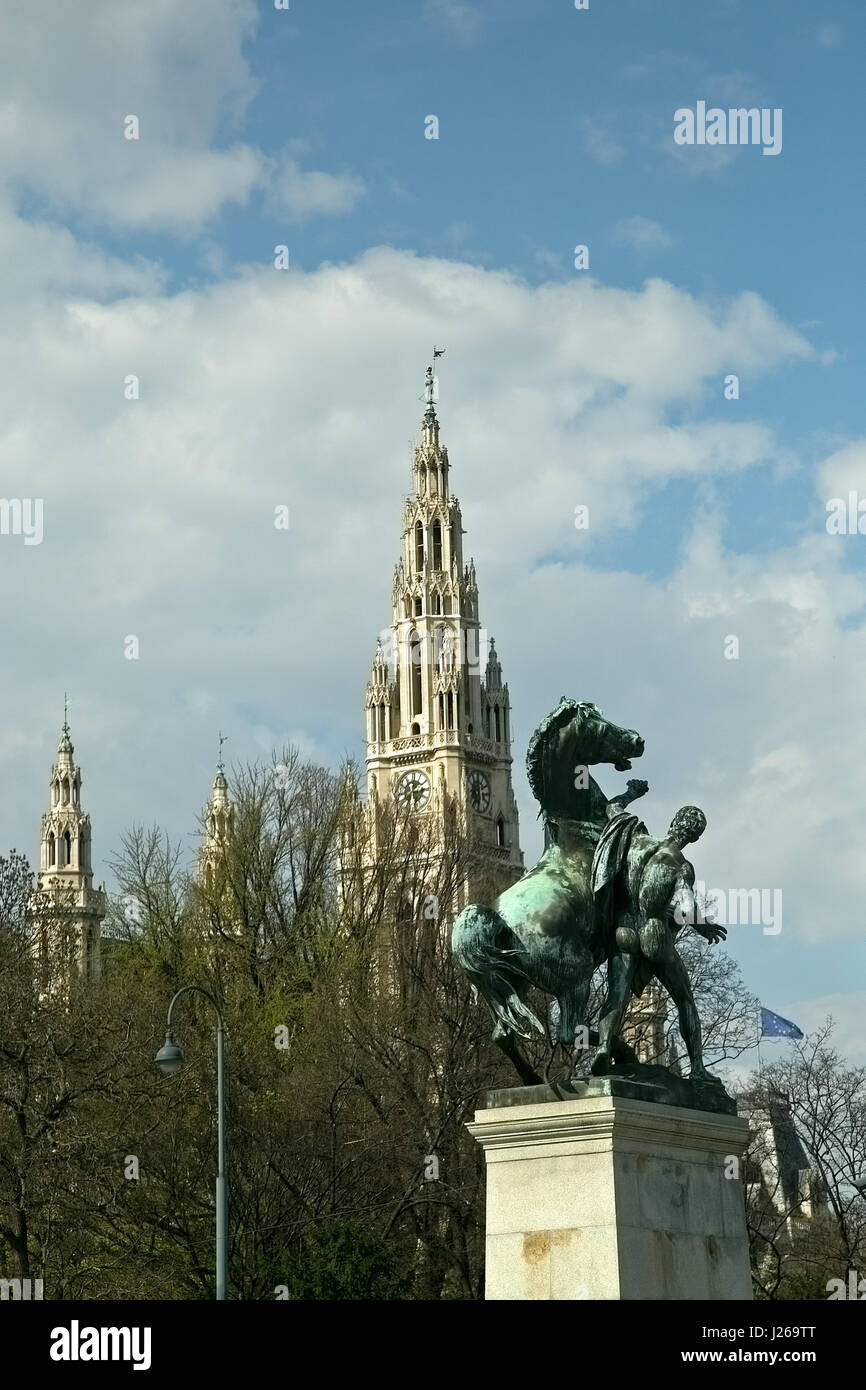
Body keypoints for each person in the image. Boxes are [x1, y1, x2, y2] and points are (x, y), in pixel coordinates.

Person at [591, 805, 726, 1081]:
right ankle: (698, 1069)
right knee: (685, 999)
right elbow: (686, 909)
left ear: (674, 821)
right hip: (654, 934)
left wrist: (628, 797)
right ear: (695, 837)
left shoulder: (637, 842)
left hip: (625, 929)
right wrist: (705, 927)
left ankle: (603, 1046)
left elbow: (612, 810)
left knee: (616, 995)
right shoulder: (681, 866)